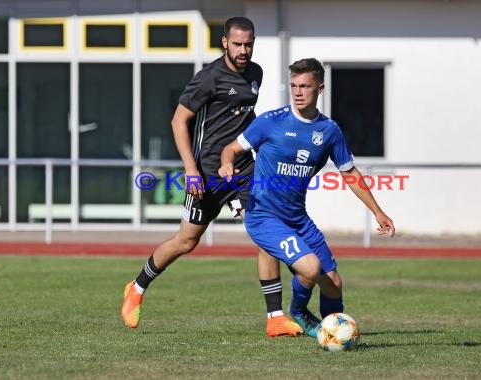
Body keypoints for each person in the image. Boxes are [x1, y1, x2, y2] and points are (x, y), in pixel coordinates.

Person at [121, 17, 303, 338]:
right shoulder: (208, 78)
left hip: (243, 168)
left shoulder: (255, 74)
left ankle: (275, 317)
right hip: (206, 173)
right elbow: (179, 122)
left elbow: (243, 118)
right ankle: (137, 286)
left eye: (248, 44)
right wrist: (190, 170)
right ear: (224, 43)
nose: (244, 50)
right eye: (237, 44)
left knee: (265, 232)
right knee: (186, 241)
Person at [218, 58, 396, 337]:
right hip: (264, 216)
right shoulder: (270, 122)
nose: (298, 92)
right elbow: (230, 149)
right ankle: (298, 311)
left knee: (334, 283)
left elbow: (350, 173)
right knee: (310, 268)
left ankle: (334, 330)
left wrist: (378, 211)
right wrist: (227, 162)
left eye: (305, 86)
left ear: (320, 88)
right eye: (293, 86)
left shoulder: (329, 131)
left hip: (297, 219)